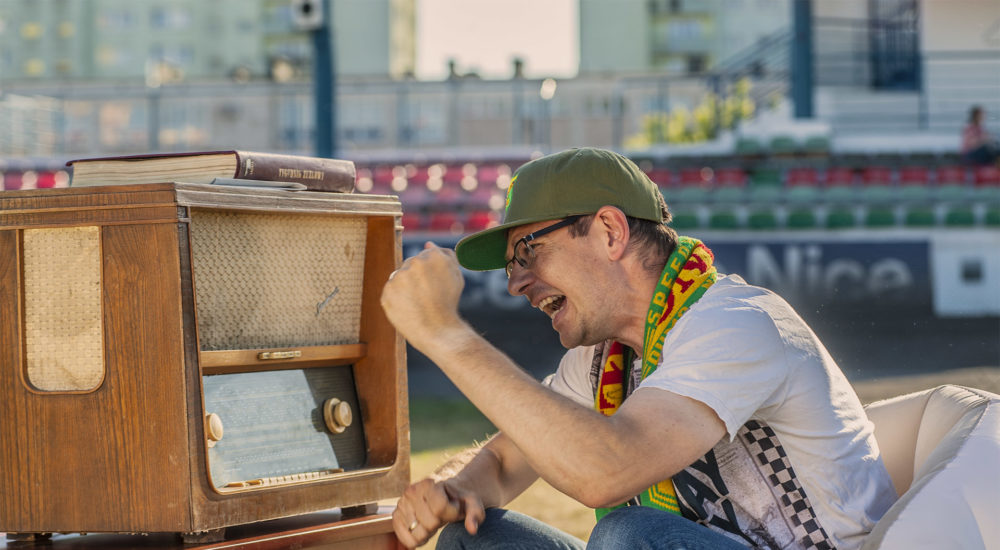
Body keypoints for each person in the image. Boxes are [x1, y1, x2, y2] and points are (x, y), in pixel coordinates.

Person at [380, 148, 896, 549]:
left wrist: (445, 334)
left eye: (528, 251)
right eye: (513, 265)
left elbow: (607, 471)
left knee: (628, 536)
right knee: (476, 539)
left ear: (610, 231)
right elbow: (503, 459)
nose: (516, 282)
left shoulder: (738, 324)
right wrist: (454, 488)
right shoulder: (601, 356)